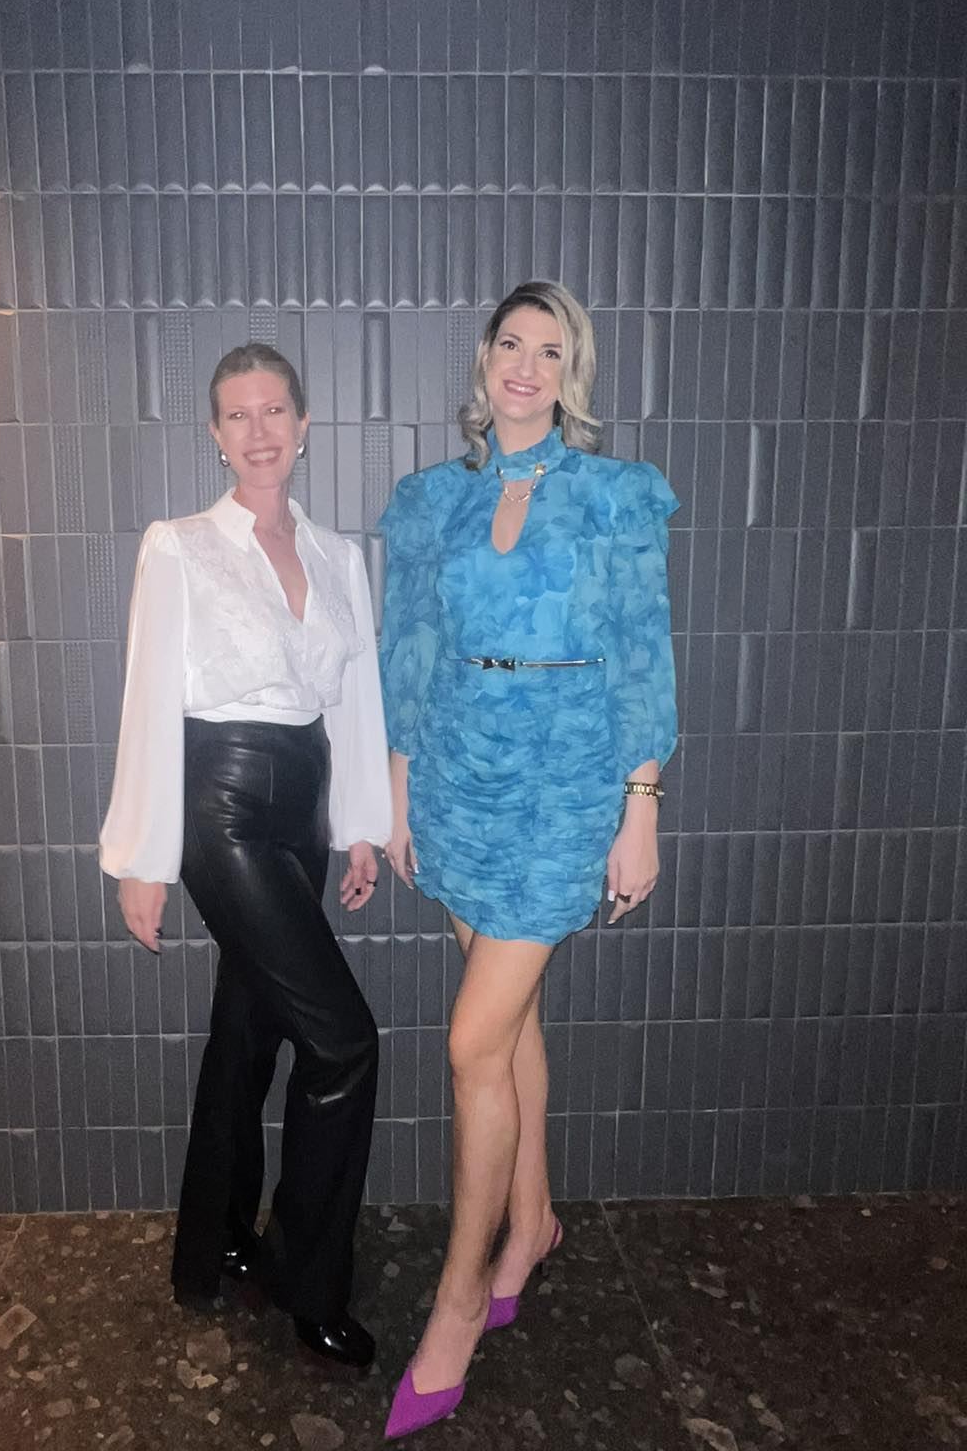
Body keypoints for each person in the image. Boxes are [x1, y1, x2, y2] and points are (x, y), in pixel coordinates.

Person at [378, 281, 678, 1435]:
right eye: (512, 342)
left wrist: (640, 806)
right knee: (511, 1027)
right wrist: (400, 793)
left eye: (552, 351)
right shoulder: (432, 501)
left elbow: (643, 655)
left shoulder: (614, 494)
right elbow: (409, 651)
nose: (527, 365)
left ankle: (459, 1300)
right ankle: (533, 1224)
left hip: (564, 785)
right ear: (485, 358)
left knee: (470, 1044)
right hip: (458, 781)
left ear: (571, 375)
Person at [98, 343, 392, 1369]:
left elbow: (354, 698)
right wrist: (143, 855)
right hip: (220, 805)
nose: (259, 430)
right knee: (343, 1043)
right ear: (216, 435)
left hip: (303, 805)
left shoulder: (339, 555)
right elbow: (148, 700)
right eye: (238, 414)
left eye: (275, 411)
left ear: (303, 425)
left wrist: (358, 823)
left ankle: (216, 1240)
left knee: (248, 1032)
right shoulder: (179, 546)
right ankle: (310, 1283)